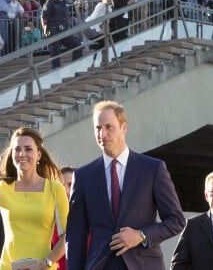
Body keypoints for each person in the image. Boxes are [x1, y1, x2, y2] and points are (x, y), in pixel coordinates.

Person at [66, 100, 185, 270]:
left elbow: (176, 220)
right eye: (98, 128)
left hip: (143, 264)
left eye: (109, 127)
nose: (102, 134)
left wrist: (142, 235)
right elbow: (75, 235)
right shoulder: (83, 176)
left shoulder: (152, 169)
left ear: (124, 128)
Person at [0, 127, 69, 270]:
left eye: (28, 149)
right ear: (11, 155)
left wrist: (44, 264)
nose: (22, 154)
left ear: (38, 154)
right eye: (17, 149)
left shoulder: (55, 189)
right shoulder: (3, 188)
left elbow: (66, 236)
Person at [41, 0, 83, 69]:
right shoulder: (50, 2)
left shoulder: (66, 3)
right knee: (55, 54)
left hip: (64, 30)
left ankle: (74, 67)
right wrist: (45, 29)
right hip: (53, 30)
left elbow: (73, 14)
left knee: (78, 46)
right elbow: (43, 17)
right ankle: (56, 73)